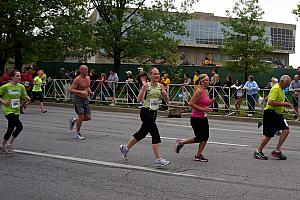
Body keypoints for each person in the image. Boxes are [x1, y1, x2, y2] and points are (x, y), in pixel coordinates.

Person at [120, 67, 170, 167]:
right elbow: (139, 99)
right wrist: (143, 89)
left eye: (158, 74)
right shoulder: (147, 86)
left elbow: (167, 101)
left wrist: (165, 94)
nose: (157, 76)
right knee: (155, 134)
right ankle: (158, 159)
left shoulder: (161, 86)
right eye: (154, 74)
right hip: (145, 112)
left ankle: (125, 148)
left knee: (142, 133)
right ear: (150, 75)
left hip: (154, 112)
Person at [175, 74, 216, 162]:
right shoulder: (199, 91)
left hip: (204, 117)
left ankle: (198, 155)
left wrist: (211, 102)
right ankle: (181, 142)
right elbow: (191, 103)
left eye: (208, 80)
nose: (209, 82)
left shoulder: (206, 91)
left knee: (206, 137)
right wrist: (203, 109)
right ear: (201, 82)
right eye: (207, 80)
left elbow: (205, 103)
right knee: (199, 138)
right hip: (196, 118)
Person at [253, 75, 291, 160]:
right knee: (269, 134)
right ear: (281, 81)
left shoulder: (281, 89)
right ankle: (258, 151)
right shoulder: (276, 88)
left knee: (286, 130)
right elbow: (270, 102)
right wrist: (283, 104)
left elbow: (274, 100)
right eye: (286, 83)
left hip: (277, 113)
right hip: (271, 113)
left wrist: (283, 107)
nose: (287, 85)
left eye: (288, 84)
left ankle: (277, 151)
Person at [0, 70, 30, 154]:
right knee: (19, 126)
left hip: (16, 110)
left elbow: (24, 96)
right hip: (8, 110)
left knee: (10, 129)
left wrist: (27, 98)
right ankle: (9, 145)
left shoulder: (21, 87)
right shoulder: (5, 87)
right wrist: (3, 101)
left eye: (20, 76)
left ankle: (2, 146)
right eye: (17, 76)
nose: (19, 77)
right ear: (12, 77)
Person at [68, 65, 93, 140]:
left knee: (88, 117)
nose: (87, 71)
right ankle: (77, 133)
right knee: (81, 116)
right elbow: (70, 90)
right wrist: (81, 92)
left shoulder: (88, 78)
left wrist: (90, 92)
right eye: (85, 69)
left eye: (87, 69)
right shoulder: (77, 79)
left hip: (85, 99)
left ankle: (74, 120)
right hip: (78, 99)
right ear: (81, 70)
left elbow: (87, 87)